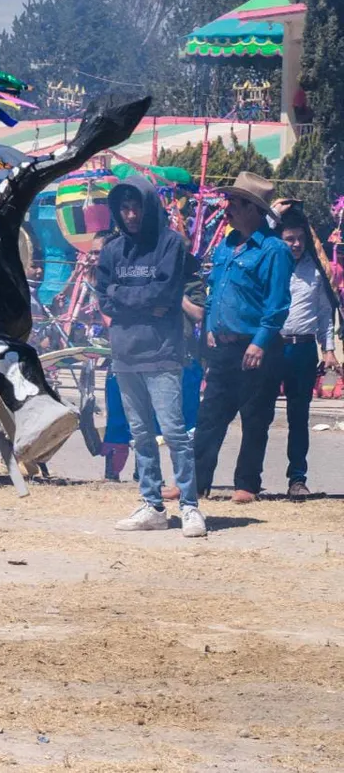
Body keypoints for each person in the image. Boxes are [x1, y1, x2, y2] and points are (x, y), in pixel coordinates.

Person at [95, 177, 205, 537]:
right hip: (125, 352)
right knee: (140, 434)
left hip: (162, 352)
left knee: (174, 432)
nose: (130, 214)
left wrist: (126, 297)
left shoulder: (171, 243)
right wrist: (140, 302)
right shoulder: (112, 250)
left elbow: (167, 293)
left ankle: (189, 506)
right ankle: (152, 505)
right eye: (124, 208)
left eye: (136, 206)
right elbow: (104, 296)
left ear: (148, 206)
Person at [193, 172, 294, 503]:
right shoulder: (227, 243)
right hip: (223, 345)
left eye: (235, 202)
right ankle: (196, 482)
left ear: (253, 208)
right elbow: (214, 292)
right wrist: (209, 326)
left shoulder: (274, 250)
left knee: (254, 417)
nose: (228, 208)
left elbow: (277, 303)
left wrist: (260, 341)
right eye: (228, 201)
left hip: (256, 348)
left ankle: (247, 484)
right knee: (210, 417)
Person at [273, 209, 337, 499]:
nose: (296, 244)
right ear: (280, 239)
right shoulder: (271, 266)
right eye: (289, 239)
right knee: (258, 415)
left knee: (299, 418)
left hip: (303, 351)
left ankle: (297, 479)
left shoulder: (316, 271)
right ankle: (248, 481)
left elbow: (325, 314)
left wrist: (329, 350)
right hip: (272, 348)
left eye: (300, 239)